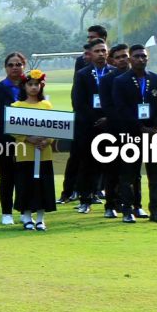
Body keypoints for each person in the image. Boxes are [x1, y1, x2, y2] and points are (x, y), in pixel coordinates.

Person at [106, 44, 157, 224]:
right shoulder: (121, 81)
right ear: (130, 59)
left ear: (147, 58)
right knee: (128, 175)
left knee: (155, 176)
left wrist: (155, 127)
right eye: (136, 56)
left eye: (143, 56)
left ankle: (156, 210)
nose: (140, 59)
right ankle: (127, 210)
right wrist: (140, 127)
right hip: (132, 133)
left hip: (155, 134)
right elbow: (121, 108)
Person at [66, 39, 110, 212]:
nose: (100, 54)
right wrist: (95, 120)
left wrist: (108, 118)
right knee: (87, 164)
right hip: (88, 126)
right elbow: (79, 102)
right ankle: (85, 200)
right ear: (90, 54)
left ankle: (110, 201)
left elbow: (119, 100)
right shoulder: (83, 74)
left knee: (109, 164)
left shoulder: (114, 74)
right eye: (97, 51)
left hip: (109, 125)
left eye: (103, 51)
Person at [11, 69, 59, 231]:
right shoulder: (16, 106)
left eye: (36, 85)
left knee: (42, 185)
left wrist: (47, 141)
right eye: (30, 84)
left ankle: (40, 218)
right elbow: (12, 128)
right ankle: (26, 216)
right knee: (25, 185)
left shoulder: (46, 105)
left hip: (44, 153)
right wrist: (27, 138)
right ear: (24, 86)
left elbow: (54, 126)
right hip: (25, 153)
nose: (33, 88)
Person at [0, 51, 29, 226]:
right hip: (4, 141)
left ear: (24, 66)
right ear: (5, 68)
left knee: (25, 177)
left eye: (18, 64)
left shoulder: (32, 86)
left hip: (28, 142)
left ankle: (24, 211)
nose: (15, 68)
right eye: (11, 65)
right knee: (7, 178)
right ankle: (6, 212)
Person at [98, 44, 131, 218]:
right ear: (112, 60)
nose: (122, 60)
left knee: (132, 171)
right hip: (114, 130)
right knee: (112, 169)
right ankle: (110, 204)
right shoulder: (107, 80)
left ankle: (133, 205)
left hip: (135, 131)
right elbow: (107, 106)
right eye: (118, 57)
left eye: (125, 56)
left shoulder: (140, 77)